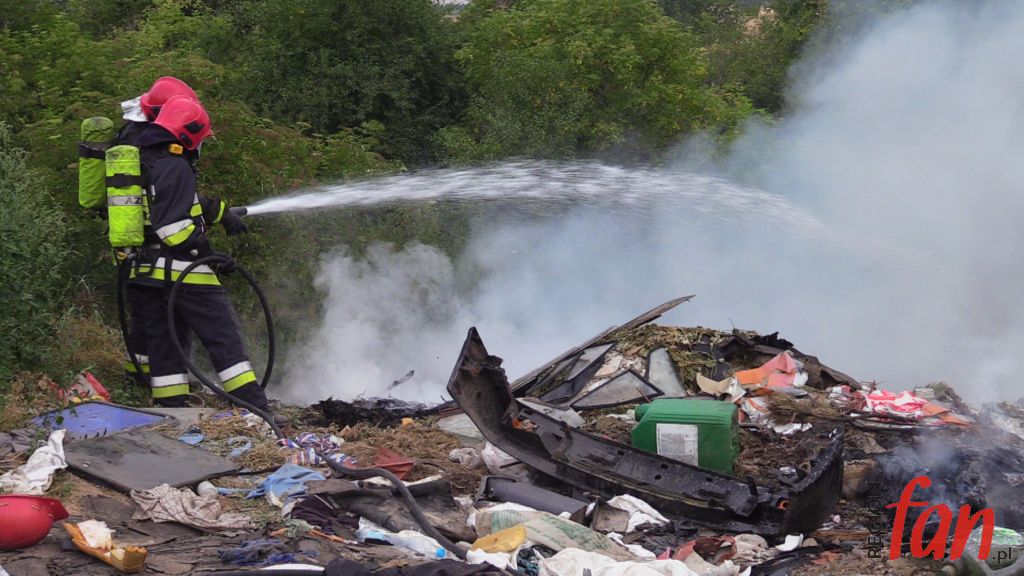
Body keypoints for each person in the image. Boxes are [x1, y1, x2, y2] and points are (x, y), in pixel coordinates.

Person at [129, 95, 267, 414]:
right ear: (188, 134)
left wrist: (218, 212)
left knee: (165, 342)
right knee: (223, 338)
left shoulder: (147, 160)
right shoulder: (176, 166)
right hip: (185, 271)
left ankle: (172, 408)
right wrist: (211, 255)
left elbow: (172, 209)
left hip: (149, 273)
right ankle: (257, 406)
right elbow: (173, 229)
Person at [117, 77, 203, 384]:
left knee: (147, 318)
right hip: (158, 244)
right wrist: (201, 246)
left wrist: (219, 211)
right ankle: (165, 387)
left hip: (136, 241)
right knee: (166, 318)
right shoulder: (154, 146)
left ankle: (139, 381)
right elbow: (166, 199)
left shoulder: (131, 137)